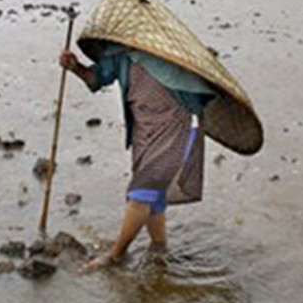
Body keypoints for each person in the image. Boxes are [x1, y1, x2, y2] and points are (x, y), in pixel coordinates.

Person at [60, 44, 217, 271]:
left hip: (175, 128)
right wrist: (74, 67)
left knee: (141, 193)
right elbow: (96, 78)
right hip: (144, 131)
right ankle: (160, 251)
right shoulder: (122, 54)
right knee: (153, 198)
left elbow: (203, 90)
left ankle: (116, 254)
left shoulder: (172, 53)